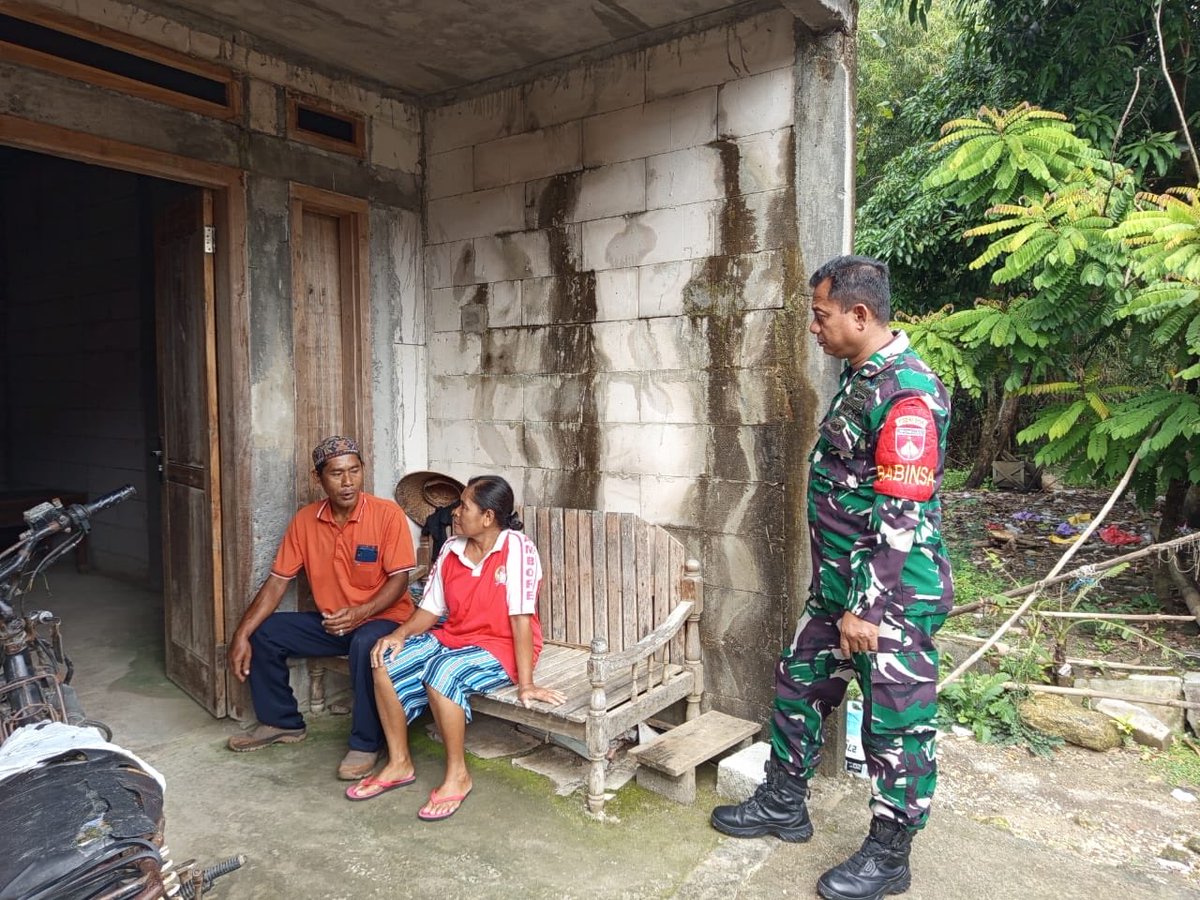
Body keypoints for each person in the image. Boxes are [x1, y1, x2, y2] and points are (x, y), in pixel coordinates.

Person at [710, 256, 953, 900]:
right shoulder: (860, 377)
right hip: (841, 589)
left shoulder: (907, 392)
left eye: (820, 316)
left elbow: (900, 511)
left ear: (860, 314)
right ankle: (784, 802)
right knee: (799, 685)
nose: (814, 328)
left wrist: (868, 609)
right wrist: (842, 596)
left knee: (894, 726)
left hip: (891, 597)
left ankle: (890, 853)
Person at [344, 474, 566, 820]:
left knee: (441, 672)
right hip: (455, 637)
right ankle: (399, 761)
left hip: (501, 646)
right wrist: (399, 635)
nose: (455, 513)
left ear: (488, 517)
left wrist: (526, 684)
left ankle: (457, 775)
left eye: (464, 506)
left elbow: (521, 619)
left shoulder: (517, 548)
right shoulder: (451, 549)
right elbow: (430, 610)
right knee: (384, 658)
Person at [226, 436, 417, 782]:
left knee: (366, 644)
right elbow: (276, 583)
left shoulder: (386, 514)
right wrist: (242, 633)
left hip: (384, 620)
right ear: (319, 479)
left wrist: (361, 613)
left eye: (354, 471)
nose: (347, 482)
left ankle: (366, 743)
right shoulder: (305, 521)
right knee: (264, 633)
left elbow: (399, 581)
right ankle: (281, 722)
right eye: (337, 474)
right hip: (334, 624)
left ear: (363, 471)